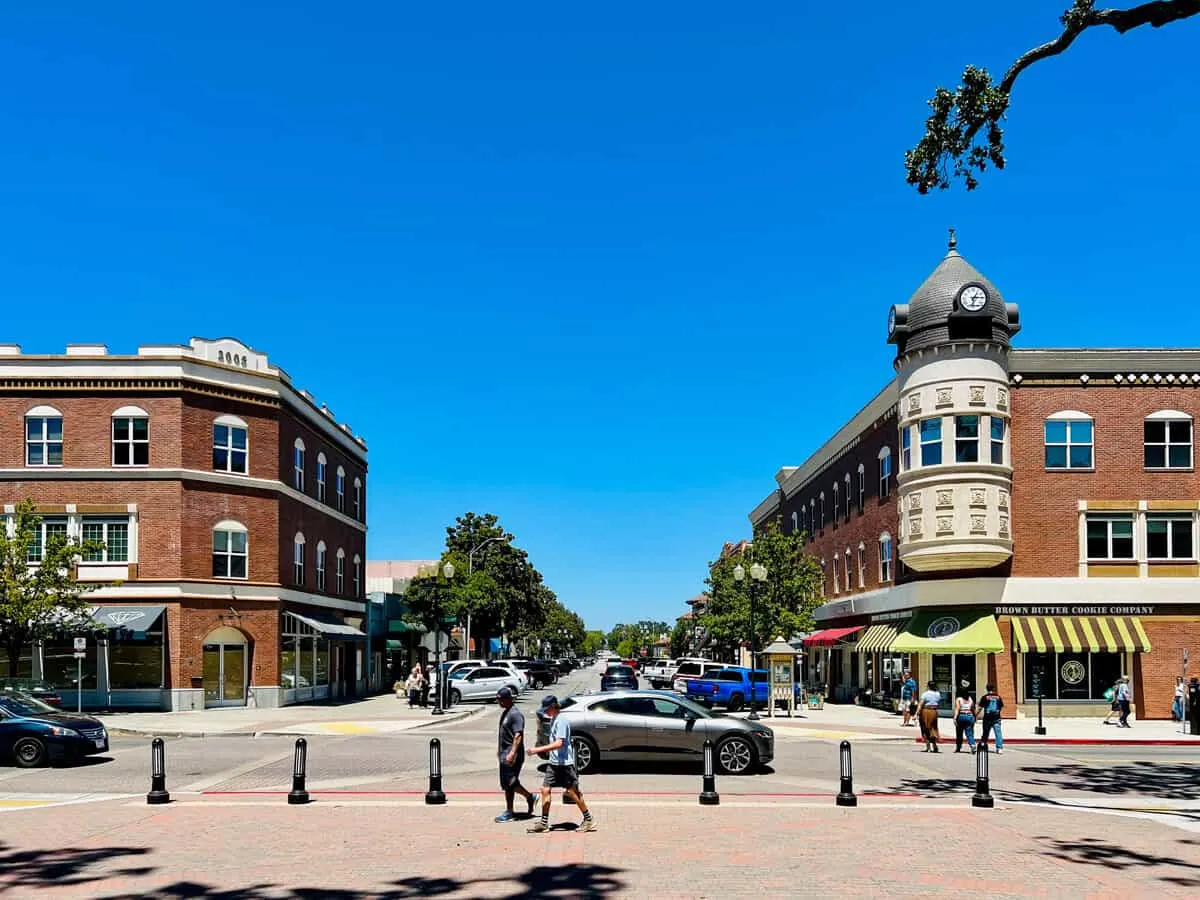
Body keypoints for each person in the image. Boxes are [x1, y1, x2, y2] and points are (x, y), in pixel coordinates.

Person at [525, 695, 596, 833]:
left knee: (572, 792)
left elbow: (559, 743)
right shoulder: (554, 720)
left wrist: (537, 750)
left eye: (547, 709)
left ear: (553, 707)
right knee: (545, 789)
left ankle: (588, 819)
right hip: (554, 762)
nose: (545, 712)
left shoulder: (561, 721)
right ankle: (544, 823)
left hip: (565, 764)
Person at [494, 687, 536, 823]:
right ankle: (512, 809)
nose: (498, 702)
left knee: (510, 782)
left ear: (508, 699)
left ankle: (528, 798)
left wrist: (512, 753)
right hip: (504, 754)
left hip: (513, 755)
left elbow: (518, 735)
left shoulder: (515, 714)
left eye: (500, 699)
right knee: (507, 784)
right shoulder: (506, 712)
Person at [977, 683, 1004, 754]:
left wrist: (975, 715)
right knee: (998, 734)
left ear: (986, 689)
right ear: (993, 688)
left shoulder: (985, 697)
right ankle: (999, 748)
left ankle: (983, 746)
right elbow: (1000, 707)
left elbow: (980, 708)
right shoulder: (998, 697)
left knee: (985, 733)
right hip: (996, 718)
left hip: (987, 718)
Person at [918, 681, 941, 753]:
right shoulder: (938, 694)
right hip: (934, 711)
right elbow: (938, 702)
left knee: (925, 728)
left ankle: (928, 747)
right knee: (933, 728)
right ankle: (934, 745)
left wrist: (916, 713)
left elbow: (920, 704)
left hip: (926, 711)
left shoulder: (925, 694)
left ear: (928, 686)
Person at [953, 681, 976, 754]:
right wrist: (975, 717)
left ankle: (958, 747)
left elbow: (957, 709)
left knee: (959, 733)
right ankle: (972, 744)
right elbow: (973, 709)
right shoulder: (970, 699)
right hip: (970, 716)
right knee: (969, 732)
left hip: (961, 716)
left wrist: (955, 718)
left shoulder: (959, 699)